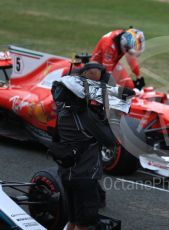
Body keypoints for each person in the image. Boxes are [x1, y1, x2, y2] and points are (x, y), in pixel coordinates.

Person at [51, 63, 134, 230]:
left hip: (66, 174)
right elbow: (111, 141)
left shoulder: (62, 110)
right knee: (84, 223)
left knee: (73, 220)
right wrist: (113, 117)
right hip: (84, 176)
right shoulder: (86, 117)